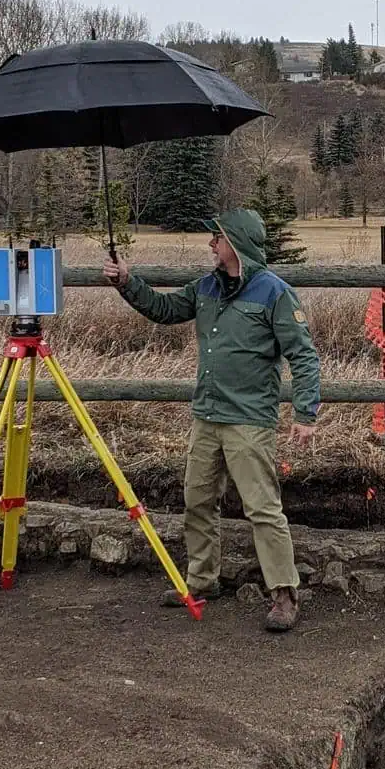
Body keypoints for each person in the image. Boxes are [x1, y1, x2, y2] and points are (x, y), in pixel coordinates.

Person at [103, 206, 319, 631]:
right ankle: (203, 581)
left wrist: (306, 412)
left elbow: (304, 356)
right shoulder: (206, 288)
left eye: (217, 238)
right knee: (197, 501)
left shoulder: (275, 294)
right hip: (207, 416)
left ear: (234, 244)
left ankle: (284, 593)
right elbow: (164, 309)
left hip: (250, 421)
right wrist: (127, 282)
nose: (211, 244)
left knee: (262, 509)